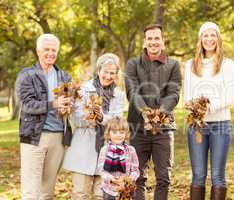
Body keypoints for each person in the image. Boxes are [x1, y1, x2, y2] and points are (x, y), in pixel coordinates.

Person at [125, 24, 182, 200]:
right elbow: (132, 91)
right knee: (137, 176)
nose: (153, 42)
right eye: (150, 38)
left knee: (163, 177)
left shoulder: (173, 65)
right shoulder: (133, 64)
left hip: (164, 128)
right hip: (138, 128)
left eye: (157, 38)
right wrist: (146, 112)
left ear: (163, 41)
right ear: (145, 41)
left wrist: (159, 113)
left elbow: (174, 93)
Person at [184, 21, 234, 199]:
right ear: (200, 40)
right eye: (205, 35)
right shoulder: (190, 65)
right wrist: (197, 110)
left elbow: (230, 96)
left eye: (212, 35)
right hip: (197, 126)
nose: (209, 39)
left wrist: (208, 106)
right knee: (198, 176)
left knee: (217, 177)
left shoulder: (227, 64)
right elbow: (187, 96)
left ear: (218, 38)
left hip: (221, 125)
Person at [15, 33, 72, 199]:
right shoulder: (27, 75)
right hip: (34, 137)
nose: (50, 53)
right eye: (46, 49)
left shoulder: (64, 76)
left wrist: (67, 107)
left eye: (54, 50)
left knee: (47, 191)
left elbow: (68, 105)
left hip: (58, 138)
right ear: (38, 51)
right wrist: (52, 104)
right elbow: (26, 104)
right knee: (31, 190)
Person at [62, 53, 125, 199]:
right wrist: (90, 118)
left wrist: (102, 117)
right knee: (80, 194)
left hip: (108, 149)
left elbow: (117, 121)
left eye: (113, 73)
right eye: (106, 72)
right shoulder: (83, 90)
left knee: (102, 194)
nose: (109, 76)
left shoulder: (119, 94)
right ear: (98, 71)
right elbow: (76, 119)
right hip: (84, 147)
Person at [97, 117, 140, 199]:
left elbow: (135, 170)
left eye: (121, 132)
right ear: (109, 134)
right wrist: (112, 179)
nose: (118, 135)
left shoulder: (131, 150)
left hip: (126, 189)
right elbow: (101, 170)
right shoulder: (105, 150)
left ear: (126, 134)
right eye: (114, 132)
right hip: (109, 190)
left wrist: (127, 181)